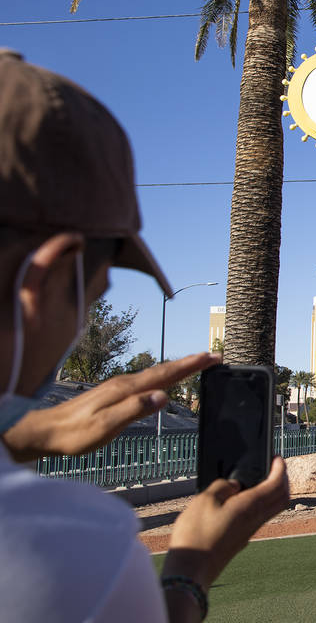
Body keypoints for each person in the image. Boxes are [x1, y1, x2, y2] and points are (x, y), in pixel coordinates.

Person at [0, 50, 290, 622]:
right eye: (94, 292)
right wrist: (189, 573)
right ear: (52, 272)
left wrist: (15, 436)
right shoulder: (68, 545)